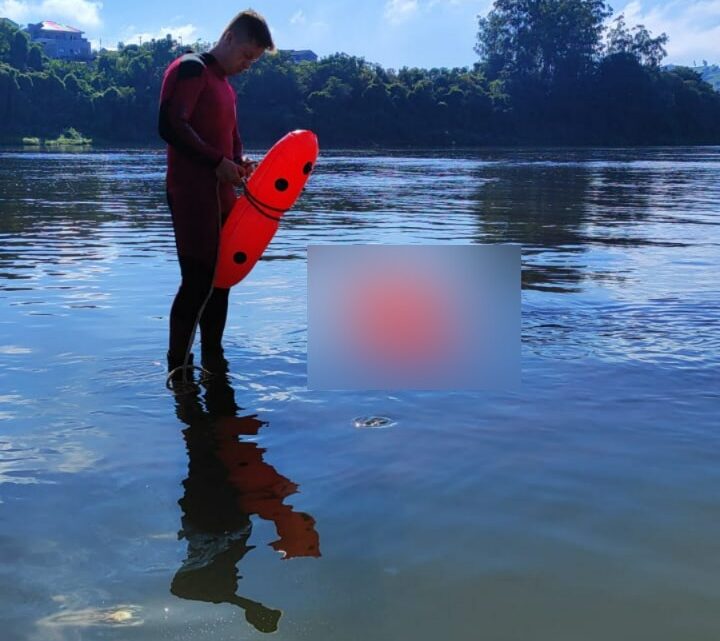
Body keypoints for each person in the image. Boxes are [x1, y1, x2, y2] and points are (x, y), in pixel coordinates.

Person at [158, 10, 275, 378]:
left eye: (253, 61)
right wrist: (215, 163)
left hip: (223, 195)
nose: (247, 65)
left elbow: (232, 138)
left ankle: (213, 361)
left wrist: (239, 162)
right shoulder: (191, 69)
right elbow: (170, 125)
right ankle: (178, 367)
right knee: (197, 281)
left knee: (222, 281)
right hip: (193, 195)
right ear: (228, 38)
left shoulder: (226, 87)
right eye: (246, 55)